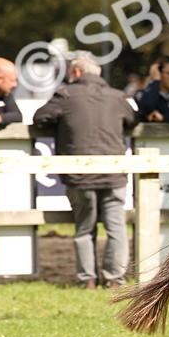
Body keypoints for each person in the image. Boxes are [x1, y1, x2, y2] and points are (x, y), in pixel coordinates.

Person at [33, 55, 137, 289]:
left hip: (80, 176)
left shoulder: (66, 95)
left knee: (84, 229)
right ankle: (115, 280)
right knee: (117, 229)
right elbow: (132, 120)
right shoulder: (117, 96)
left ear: (77, 73)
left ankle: (87, 280)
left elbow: (40, 117)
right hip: (114, 173)